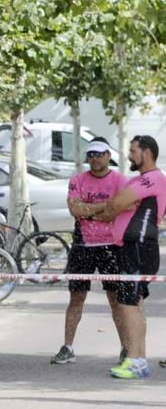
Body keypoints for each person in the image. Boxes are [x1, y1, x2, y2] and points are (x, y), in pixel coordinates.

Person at [87, 135, 165, 379]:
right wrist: (112, 209)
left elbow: (117, 202)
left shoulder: (151, 178)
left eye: (133, 151)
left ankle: (134, 360)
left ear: (147, 153)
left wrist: (101, 211)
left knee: (127, 305)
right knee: (134, 305)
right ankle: (139, 360)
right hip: (135, 248)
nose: (129, 155)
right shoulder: (145, 180)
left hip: (138, 247)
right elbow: (117, 205)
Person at [51, 139, 127, 364]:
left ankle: (125, 347)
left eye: (99, 154)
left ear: (108, 155)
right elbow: (75, 209)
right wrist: (105, 207)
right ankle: (67, 347)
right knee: (76, 298)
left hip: (111, 246)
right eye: (91, 154)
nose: (95, 158)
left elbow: (119, 209)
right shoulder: (77, 180)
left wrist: (90, 211)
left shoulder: (120, 180)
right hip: (82, 245)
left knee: (115, 299)